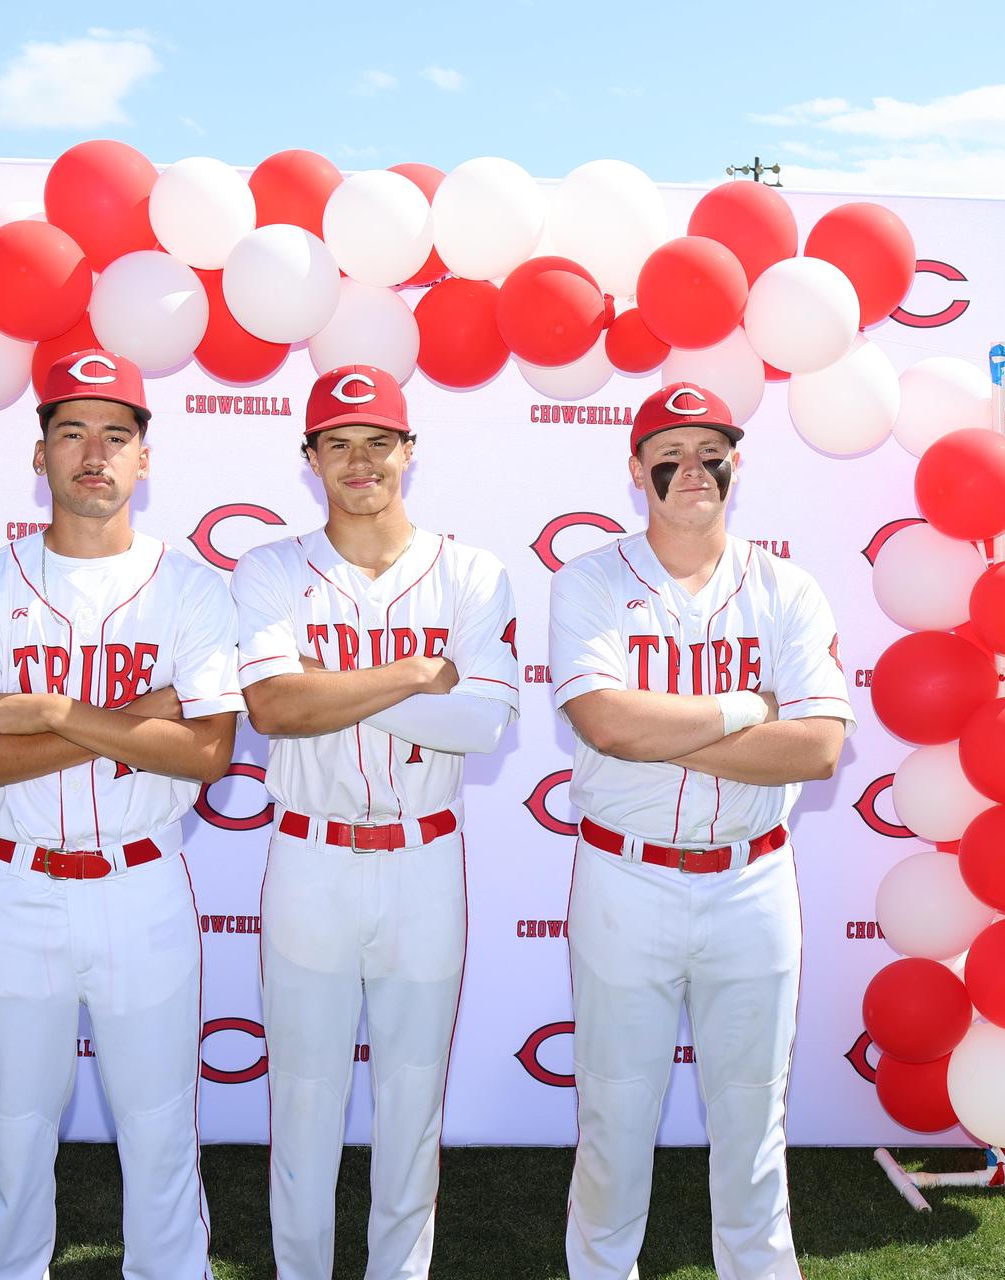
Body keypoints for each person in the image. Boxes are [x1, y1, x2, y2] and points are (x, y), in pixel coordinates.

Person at [0, 349, 243, 1280]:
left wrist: (54, 713)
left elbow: (210, 755)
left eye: (115, 435)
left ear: (144, 458)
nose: (94, 453)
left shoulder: (193, 589)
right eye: (72, 433)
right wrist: (138, 721)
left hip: (143, 883)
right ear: (40, 454)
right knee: (13, 1130)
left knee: (164, 1123)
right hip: (20, 886)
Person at [549, 381, 855, 1280]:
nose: (693, 467)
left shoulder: (787, 588)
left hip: (751, 880)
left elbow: (818, 749)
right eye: (669, 453)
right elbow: (606, 726)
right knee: (614, 1115)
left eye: (709, 448)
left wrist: (663, 734)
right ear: (637, 468)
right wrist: (739, 709)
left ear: (736, 460)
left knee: (753, 1118)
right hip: (625, 880)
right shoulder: (592, 580)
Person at [231, 364, 519, 1280]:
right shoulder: (269, 568)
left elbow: (480, 720)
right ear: (309, 456)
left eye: (378, 441)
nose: (360, 461)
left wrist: (333, 690)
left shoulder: (473, 572)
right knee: (304, 1100)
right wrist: (412, 674)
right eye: (339, 443)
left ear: (409, 451)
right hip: (310, 856)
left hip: (424, 859)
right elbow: (274, 708)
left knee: (411, 1100)